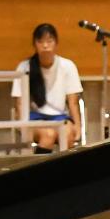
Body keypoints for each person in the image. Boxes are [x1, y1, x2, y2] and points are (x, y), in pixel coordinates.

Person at [11, 23, 84, 153]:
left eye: (49, 41)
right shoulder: (24, 67)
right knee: (48, 135)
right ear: (34, 44)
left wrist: (78, 127)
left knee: (66, 135)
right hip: (34, 120)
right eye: (40, 41)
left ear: (56, 43)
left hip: (60, 118)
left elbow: (73, 102)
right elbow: (19, 103)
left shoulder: (67, 66)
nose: (45, 45)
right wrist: (23, 126)